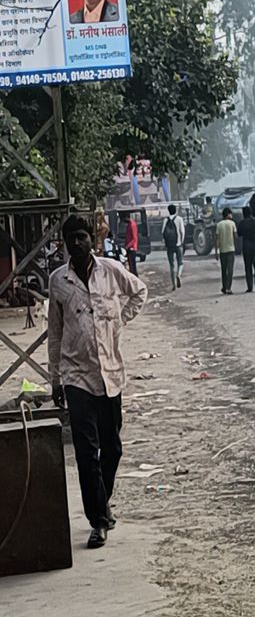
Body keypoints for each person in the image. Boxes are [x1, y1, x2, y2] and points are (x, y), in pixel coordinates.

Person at [48, 215, 148, 549]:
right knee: (86, 453)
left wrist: (120, 319)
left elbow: (139, 292)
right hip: (76, 376)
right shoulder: (58, 281)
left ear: (92, 239)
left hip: (110, 374)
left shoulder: (111, 270)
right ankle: (98, 521)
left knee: (113, 448)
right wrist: (55, 379)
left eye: (81, 237)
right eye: (70, 239)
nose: (76, 243)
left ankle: (101, 501)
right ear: (64, 243)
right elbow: (55, 332)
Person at [237, 206, 255, 293]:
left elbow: (239, 234)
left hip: (246, 247)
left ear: (244, 214)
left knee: (248, 268)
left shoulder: (242, 223)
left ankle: (249, 287)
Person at [163, 203, 186, 289]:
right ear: (175, 210)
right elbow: (182, 231)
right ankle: (178, 274)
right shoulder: (179, 219)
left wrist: (166, 242)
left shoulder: (165, 220)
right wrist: (181, 241)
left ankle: (173, 285)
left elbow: (163, 232)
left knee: (171, 265)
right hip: (178, 244)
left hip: (169, 246)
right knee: (180, 263)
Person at [216, 207, 237, 295]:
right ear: (228, 214)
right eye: (230, 214)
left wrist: (216, 251)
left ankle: (224, 287)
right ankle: (229, 288)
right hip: (231, 249)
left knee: (224, 270)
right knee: (230, 269)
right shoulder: (232, 223)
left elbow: (217, 239)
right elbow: (235, 236)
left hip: (222, 250)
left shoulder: (219, 224)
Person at [120, 212, 138, 276]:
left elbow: (134, 238)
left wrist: (127, 246)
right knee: (131, 266)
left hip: (131, 248)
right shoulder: (129, 224)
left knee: (132, 267)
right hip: (130, 247)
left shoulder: (132, 224)